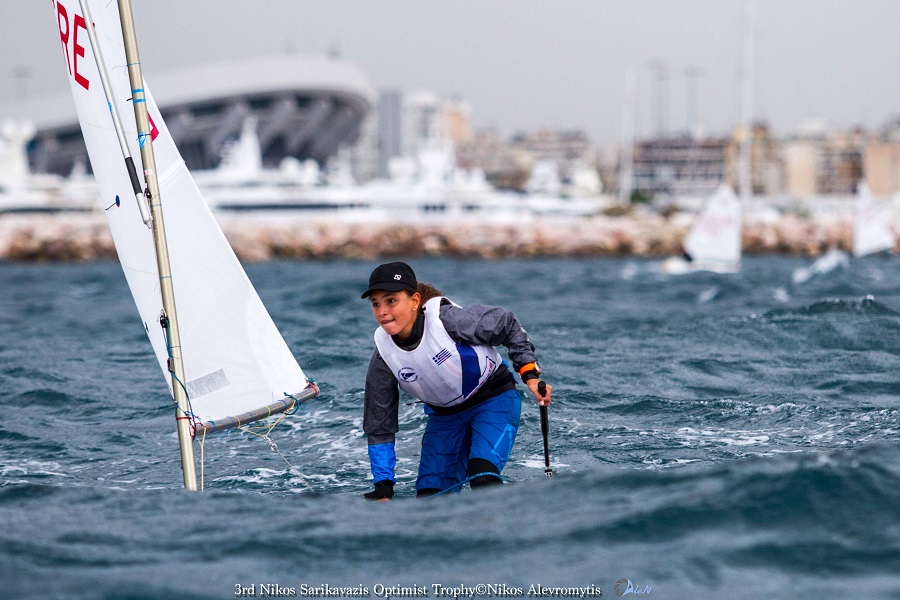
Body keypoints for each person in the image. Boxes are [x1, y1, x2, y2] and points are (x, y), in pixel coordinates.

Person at [360, 261, 551, 500]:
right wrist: (383, 487)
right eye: (375, 304)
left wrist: (529, 374)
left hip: (493, 400)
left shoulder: (449, 320)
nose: (382, 311)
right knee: (430, 498)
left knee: (481, 478)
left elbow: (506, 323)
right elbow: (379, 426)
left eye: (391, 300)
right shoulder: (383, 356)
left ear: (415, 301)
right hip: (445, 418)